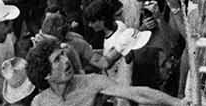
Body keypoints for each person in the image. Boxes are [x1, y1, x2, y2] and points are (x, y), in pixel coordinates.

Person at [25, 41, 183, 106]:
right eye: (57, 60)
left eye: (63, 54)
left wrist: (177, 103)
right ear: (46, 74)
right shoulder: (40, 102)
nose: (66, 61)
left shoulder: (92, 82)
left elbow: (137, 93)